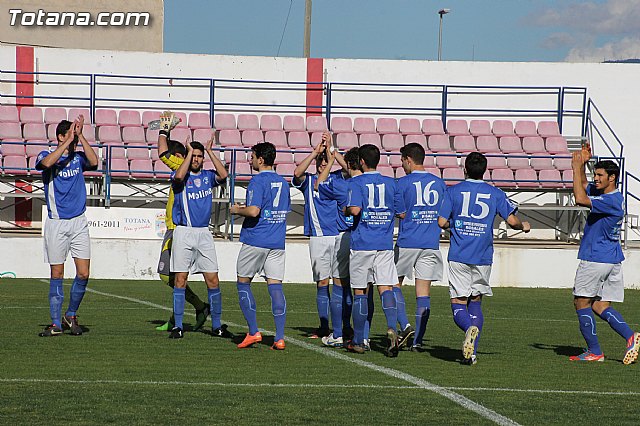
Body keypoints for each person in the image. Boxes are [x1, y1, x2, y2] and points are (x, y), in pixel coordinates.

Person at [438, 152, 530, 364]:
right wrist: (523, 226)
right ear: (485, 171)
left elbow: (442, 222)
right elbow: (512, 220)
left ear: (465, 170)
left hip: (460, 254)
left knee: (458, 302)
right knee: (476, 301)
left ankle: (467, 328)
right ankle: (473, 354)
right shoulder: (495, 193)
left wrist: (456, 225)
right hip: (483, 256)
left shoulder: (454, 192)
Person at [569, 144, 639, 363]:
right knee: (599, 305)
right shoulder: (607, 196)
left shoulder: (610, 200)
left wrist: (575, 166)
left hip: (596, 258)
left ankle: (594, 351)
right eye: (595, 174)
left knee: (581, 302)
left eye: (600, 175)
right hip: (611, 259)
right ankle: (630, 337)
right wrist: (583, 167)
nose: (595, 178)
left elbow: (580, 198)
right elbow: (583, 186)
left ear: (613, 178)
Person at [36, 115, 99, 337]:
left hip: (79, 222)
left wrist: (80, 136)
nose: (72, 141)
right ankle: (55, 323)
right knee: (57, 272)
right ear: (61, 136)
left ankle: (70, 315)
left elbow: (94, 162)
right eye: (69, 135)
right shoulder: (46, 155)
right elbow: (45, 164)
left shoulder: (78, 158)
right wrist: (66, 142)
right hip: (57, 223)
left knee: (83, 274)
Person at [230, 142, 291, 350]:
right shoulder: (283, 183)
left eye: (252, 156)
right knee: (275, 287)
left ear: (261, 160)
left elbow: (254, 211)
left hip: (257, 239)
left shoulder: (257, 182)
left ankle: (253, 331)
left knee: (243, 283)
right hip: (277, 241)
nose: (250, 160)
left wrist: (237, 210)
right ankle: (279, 338)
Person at [167, 136, 228, 339]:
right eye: (194, 156)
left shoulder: (208, 176)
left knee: (213, 280)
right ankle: (178, 325)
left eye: (200, 156)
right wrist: (188, 152)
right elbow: (178, 178)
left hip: (203, 233)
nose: (196, 159)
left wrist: (210, 151)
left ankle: (217, 325)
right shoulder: (180, 177)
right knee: (180, 280)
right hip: (184, 231)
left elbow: (224, 174)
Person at [155, 112, 211, 333]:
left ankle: (197, 307)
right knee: (172, 274)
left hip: (179, 229)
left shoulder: (181, 162)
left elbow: (162, 152)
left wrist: (163, 130)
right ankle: (182, 313)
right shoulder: (186, 169)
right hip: (180, 228)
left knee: (169, 274)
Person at [345, 144, 401, 357]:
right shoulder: (391, 183)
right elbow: (402, 213)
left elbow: (355, 210)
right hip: (384, 244)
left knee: (360, 291)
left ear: (361, 162)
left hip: (362, 244)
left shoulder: (355, 182)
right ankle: (391, 328)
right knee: (385, 288)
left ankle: (359, 340)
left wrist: (347, 208)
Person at [293, 132, 349, 339]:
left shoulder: (335, 178)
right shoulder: (308, 181)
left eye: (325, 162)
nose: (322, 165)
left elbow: (349, 169)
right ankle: (324, 325)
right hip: (317, 237)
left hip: (337, 236)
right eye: (320, 162)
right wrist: (316, 151)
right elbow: (297, 172)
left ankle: (343, 326)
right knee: (322, 283)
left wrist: (332, 149)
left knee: (340, 282)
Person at [394, 143, 447, 351]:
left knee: (392, 284)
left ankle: (406, 326)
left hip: (408, 241)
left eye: (402, 161)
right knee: (423, 293)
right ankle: (418, 341)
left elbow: (401, 213)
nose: (402, 165)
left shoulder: (402, 183)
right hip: (431, 243)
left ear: (408, 159)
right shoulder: (439, 183)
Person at [314, 146, 363, 348]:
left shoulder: (343, 185)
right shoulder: (379, 183)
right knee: (362, 289)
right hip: (370, 240)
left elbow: (318, 185)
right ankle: (362, 336)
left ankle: (338, 333)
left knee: (339, 286)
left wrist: (332, 156)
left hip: (344, 237)